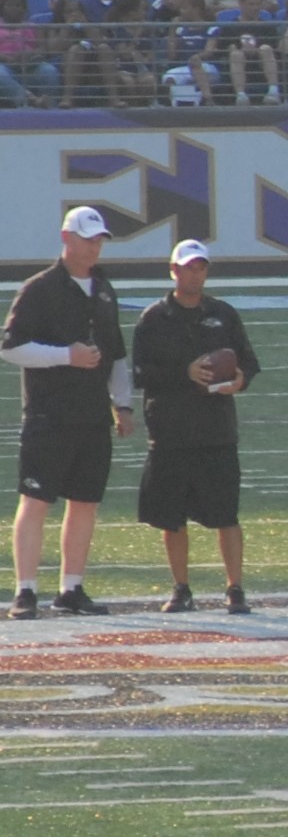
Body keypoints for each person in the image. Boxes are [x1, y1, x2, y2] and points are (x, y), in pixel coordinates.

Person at [8, 206, 133, 618]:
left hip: (92, 416)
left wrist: (123, 404)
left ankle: (71, 587)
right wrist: (67, 356)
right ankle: (25, 590)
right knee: (36, 499)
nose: (95, 247)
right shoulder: (39, 288)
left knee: (85, 502)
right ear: (67, 238)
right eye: (88, 239)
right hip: (48, 415)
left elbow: (115, 354)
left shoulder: (104, 289)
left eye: (99, 240)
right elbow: (10, 347)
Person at [128, 240, 264, 614]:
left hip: (215, 430)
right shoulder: (154, 318)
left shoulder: (224, 313)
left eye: (201, 267)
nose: (195, 273)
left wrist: (239, 378)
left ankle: (235, 588)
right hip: (170, 432)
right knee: (171, 518)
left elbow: (249, 362)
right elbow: (140, 373)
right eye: (188, 267)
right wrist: (184, 373)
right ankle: (181, 587)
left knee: (226, 515)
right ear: (173, 270)